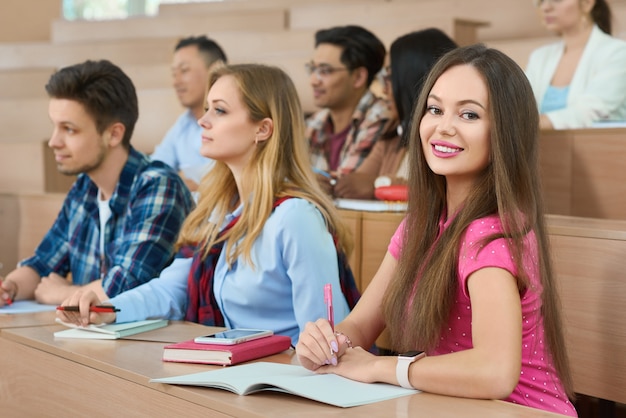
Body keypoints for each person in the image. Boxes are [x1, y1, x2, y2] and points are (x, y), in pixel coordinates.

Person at [296, 44, 578, 417]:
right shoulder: (420, 225)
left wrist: (381, 366)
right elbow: (360, 325)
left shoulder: (491, 235)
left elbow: (495, 374)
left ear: (504, 134)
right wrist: (329, 342)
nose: (443, 126)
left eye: (469, 114)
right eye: (434, 109)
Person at [57, 64, 360, 345]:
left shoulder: (295, 216)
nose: (203, 120)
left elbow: (326, 336)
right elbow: (173, 288)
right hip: (240, 368)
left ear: (263, 129)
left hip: (289, 378)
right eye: (206, 109)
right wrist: (109, 309)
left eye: (220, 111)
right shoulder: (218, 209)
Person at [0, 60, 194, 307]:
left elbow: (126, 285)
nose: (53, 141)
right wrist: (10, 287)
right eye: (55, 127)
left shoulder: (159, 186)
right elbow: (42, 264)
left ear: (114, 134)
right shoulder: (84, 187)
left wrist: (62, 294)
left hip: (151, 342)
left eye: (69, 129)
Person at [334, 28, 457, 199]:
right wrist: (332, 183)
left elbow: (440, 192)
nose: (384, 90)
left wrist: (377, 185)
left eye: (390, 78)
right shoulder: (392, 135)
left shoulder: (449, 135)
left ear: (413, 80)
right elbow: (358, 182)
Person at [305, 25, 393, 195]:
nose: (313, 81)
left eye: (325, 71)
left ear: (359, 77)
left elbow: (342, 186)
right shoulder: (315, 122)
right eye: (312, 69)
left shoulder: (381, 117)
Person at [525, 0, 626, 129]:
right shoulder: (539, 57)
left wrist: (528, 125)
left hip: (598, 147)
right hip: (544, 148)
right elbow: (522, 107)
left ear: (587, 3)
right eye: (540, 1)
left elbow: (591, 112)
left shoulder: (618, 53)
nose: (545, 7)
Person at [151, 36, 227, 190]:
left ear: (215, 70)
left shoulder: (234, 121)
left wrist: (192, 184)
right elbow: (154, 172)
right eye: (174, 74)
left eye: (184, 70)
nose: (176, 82)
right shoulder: (183, 124)